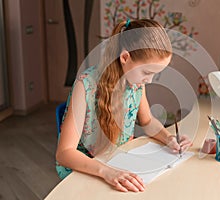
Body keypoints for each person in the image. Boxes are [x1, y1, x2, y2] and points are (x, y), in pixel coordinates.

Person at [55, 18, 193, 192]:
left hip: (119, 161)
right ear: (125, 57)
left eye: (154, 75)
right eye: (147, 72)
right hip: (88, 169)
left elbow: (148, 121)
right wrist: (108, 172)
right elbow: (64, 153)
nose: (149, 81)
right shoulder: (85, 86)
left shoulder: (135, 83)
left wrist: (169, 138)